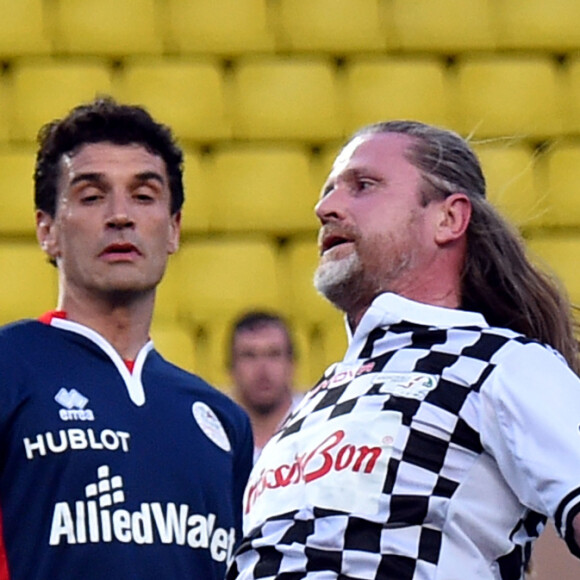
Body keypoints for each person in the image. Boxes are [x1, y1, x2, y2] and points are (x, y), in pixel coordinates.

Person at [227, 120, 580, 580]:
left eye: (363, 185)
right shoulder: (314, 401)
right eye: (330, 190)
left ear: (448, 218)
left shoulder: (503, 365)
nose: (324, 207)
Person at [0, 97, 253, 580]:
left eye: (144, 196)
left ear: (174, 229)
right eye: (93, 196)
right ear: (46, 230)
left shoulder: (223, 421)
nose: (121, 216)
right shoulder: (10, 367)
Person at [228, 311, 301, 462]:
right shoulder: (217, 433)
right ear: (231, 366)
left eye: (274, 354)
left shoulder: (317, 426)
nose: (262, 369)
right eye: (249, 355)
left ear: (292, 363)